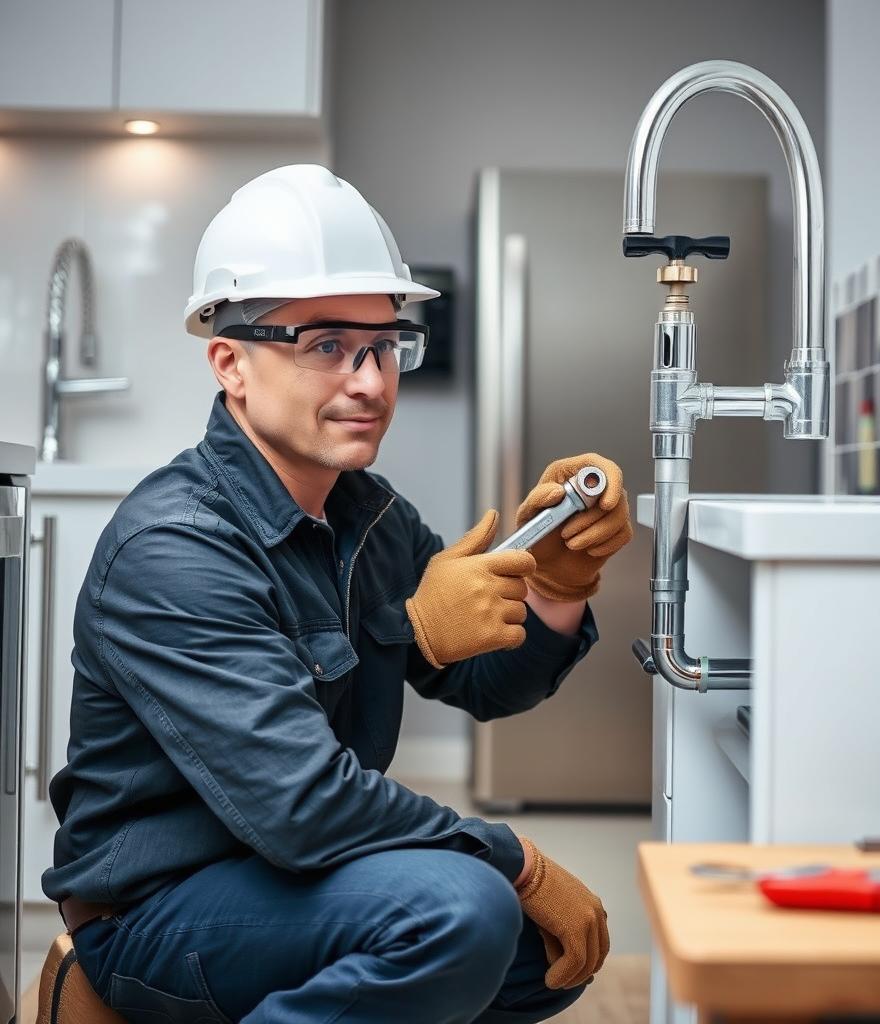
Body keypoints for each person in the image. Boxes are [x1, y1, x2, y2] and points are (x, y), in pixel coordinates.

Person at [40, 164, 633, 1023]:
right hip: (158, 908)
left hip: (294, 876)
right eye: (327, 346)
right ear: (230, 363)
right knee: (461, 911)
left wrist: (556, 584)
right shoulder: (173, 546)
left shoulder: (370, 517)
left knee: (546, 955)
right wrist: (516, 860)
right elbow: (302, 805)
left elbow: (490, 684)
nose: (370, 380)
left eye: (386, 345)